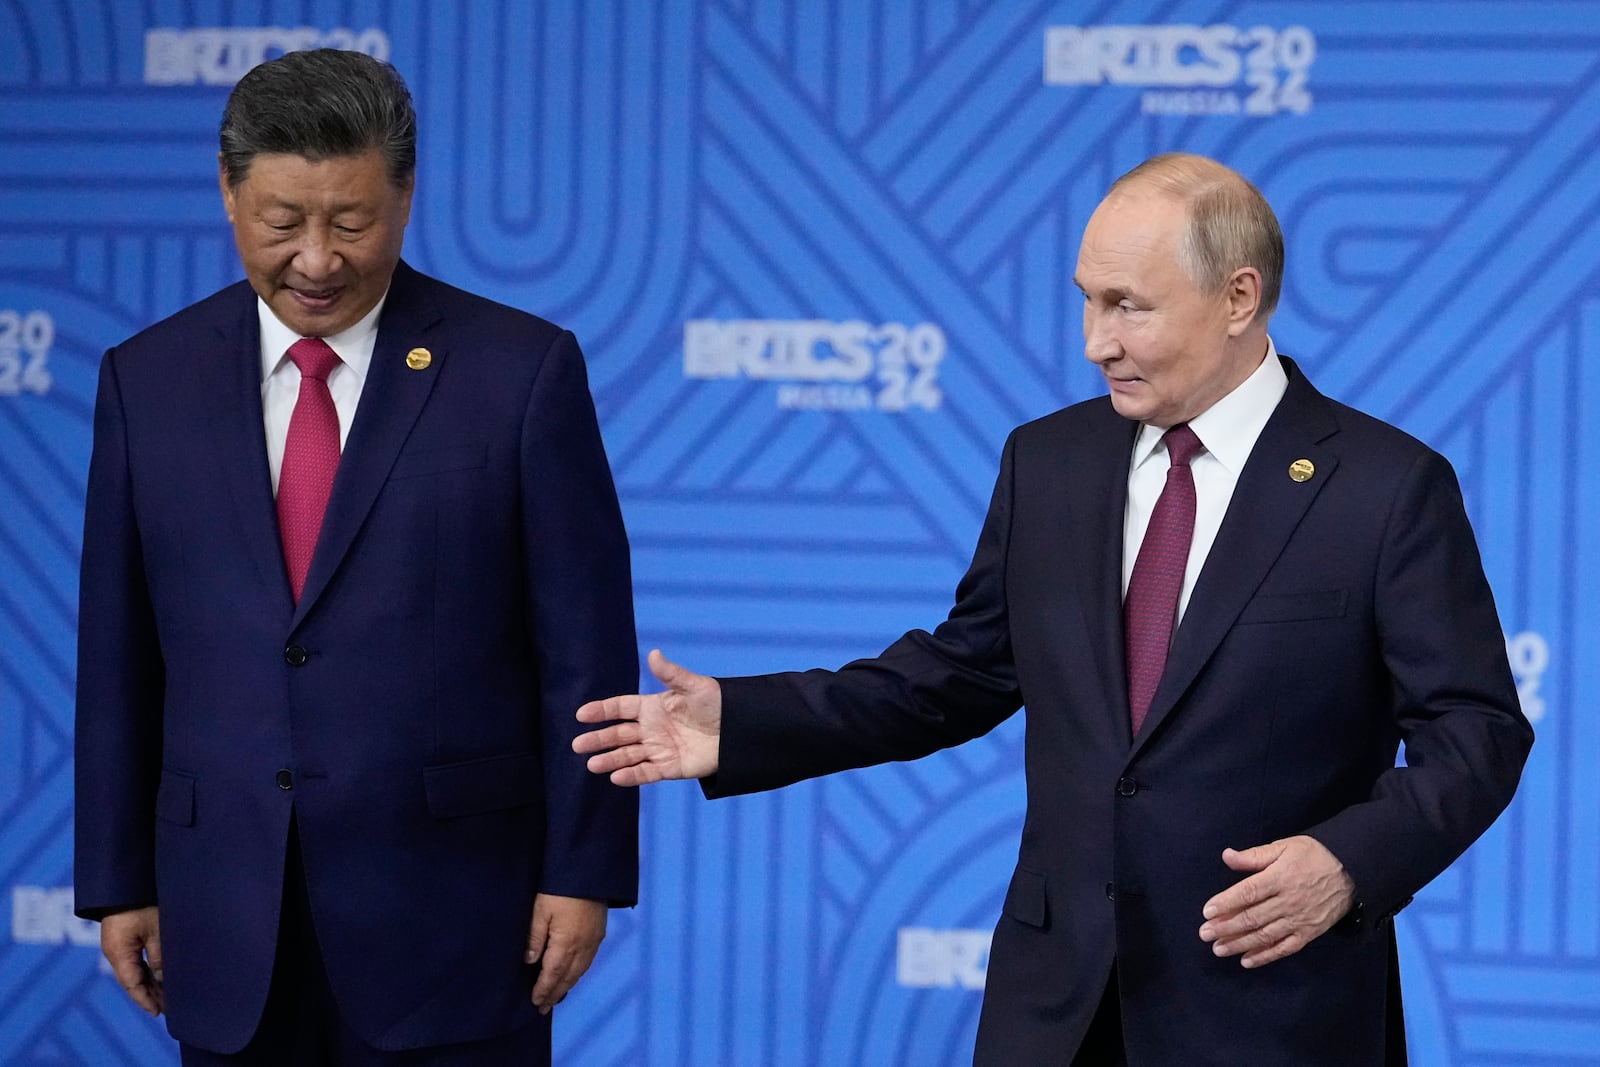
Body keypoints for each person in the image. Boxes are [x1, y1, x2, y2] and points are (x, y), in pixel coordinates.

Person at [573, 153, 1533, 1065]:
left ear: (1239, 298)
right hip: (1058, 1008)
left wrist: (1347, 860)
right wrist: (743, 722)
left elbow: (1476, 730)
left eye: (1128, 306)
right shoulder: (1050, 460)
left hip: (1273, 1010)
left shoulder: (1384, 486)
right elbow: (959, 674)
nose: (1094, 342)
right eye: (1086, 299)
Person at [73, 48, 638, 1066]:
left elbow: (585, 652)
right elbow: (118, 657)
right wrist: (118, 876)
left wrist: (584, 867)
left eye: (352, 220)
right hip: (224, 909)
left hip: (461, 916)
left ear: (407, 195)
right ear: (228, 192)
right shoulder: (144, 379)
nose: (318, 259)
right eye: (283, 222)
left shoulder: (521, 370)